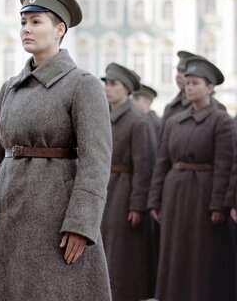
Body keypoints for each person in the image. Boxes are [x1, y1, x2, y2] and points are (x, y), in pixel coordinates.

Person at [0, 0, 113, 300]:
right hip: (8, 213)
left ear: (59, 29)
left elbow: (95, 163)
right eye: (23, 22)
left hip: (54, 220)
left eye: (36, 22)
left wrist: (81, 224)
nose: (26, 29)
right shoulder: (9, 88)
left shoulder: (83, 86)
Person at [148, 56, 235, 300]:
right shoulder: (175, 121)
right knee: (175, 252)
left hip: (203, 195)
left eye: (196, 83)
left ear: (210, 87)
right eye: (187, 82)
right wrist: (155, 200)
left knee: (200, 254)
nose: (189, 87)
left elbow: (224, 165)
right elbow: (162, 162)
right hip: (175, 195)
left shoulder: (221, 121)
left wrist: (219, 204)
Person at [101, 63, 156, 301]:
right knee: (106, 247)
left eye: (113, 84)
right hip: (105, 188)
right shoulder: (103, 117)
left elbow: (145, 168)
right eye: (106, 84)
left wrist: (137, 205)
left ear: (126, 89)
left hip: (125, 191)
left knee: (124, 252)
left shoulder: (138, 121)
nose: (107, 89)